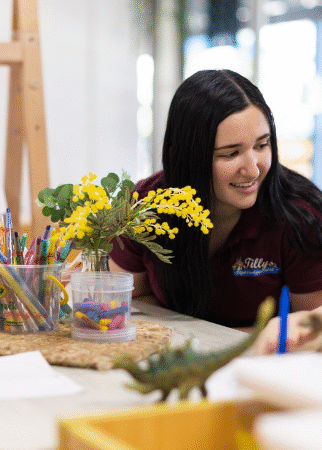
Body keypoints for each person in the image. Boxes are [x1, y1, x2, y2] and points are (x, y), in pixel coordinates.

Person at [109, 69, 322, 355]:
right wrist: (204, 340)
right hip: (172, 362)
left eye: (262, 145)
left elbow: (311, 333)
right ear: (185, 156)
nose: (254, 169)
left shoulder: (299, 216)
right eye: (230, 154)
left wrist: (228, 342)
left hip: (265, 368)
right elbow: (127, 305)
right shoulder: (145, 206)